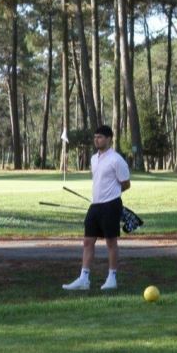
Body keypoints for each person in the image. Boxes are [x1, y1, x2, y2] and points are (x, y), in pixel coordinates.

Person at [63, 125, 130, 291]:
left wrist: (112, 194)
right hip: (95, 205)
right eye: (95, 137)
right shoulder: (94, 159)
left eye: (100, 137)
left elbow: (126, 184)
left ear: (109, 139)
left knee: (111, 242)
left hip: (111, 205)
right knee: (87, 241)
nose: (96, 140)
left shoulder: (116, 159)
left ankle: (112, 277)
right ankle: (84, 279)